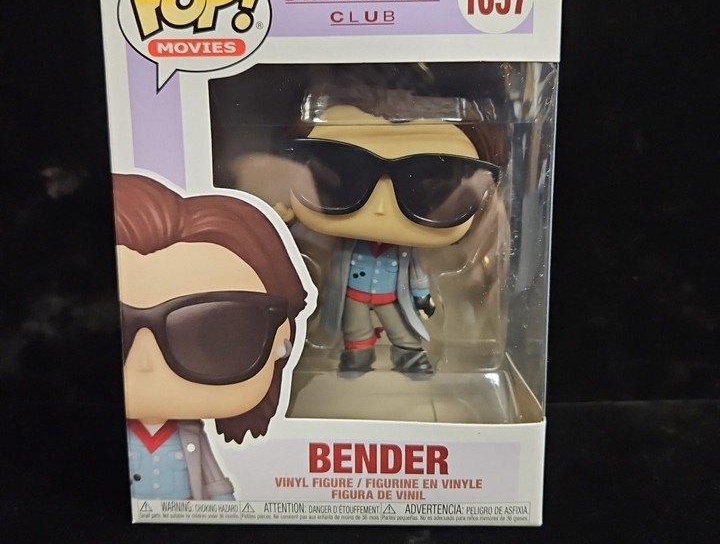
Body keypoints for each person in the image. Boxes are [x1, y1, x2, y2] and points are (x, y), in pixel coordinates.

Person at [280, 82, 503, 379]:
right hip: (353, 295)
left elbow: (417, 274)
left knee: (401, 328)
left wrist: (422, 298)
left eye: (421, 182)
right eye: (347, 173)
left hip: (389, 298)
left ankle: (409, 357)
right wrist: (280, 221)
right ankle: (356, 358)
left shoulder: (406, 252)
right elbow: (305, 253)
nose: (382, 207)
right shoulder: (338, 245)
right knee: (354, 328)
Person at [114, 173, 308, 501]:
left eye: (213, 334)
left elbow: (216, 484)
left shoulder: (191, 434)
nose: (144, 363)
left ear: (281, 339)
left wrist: (224, 510)